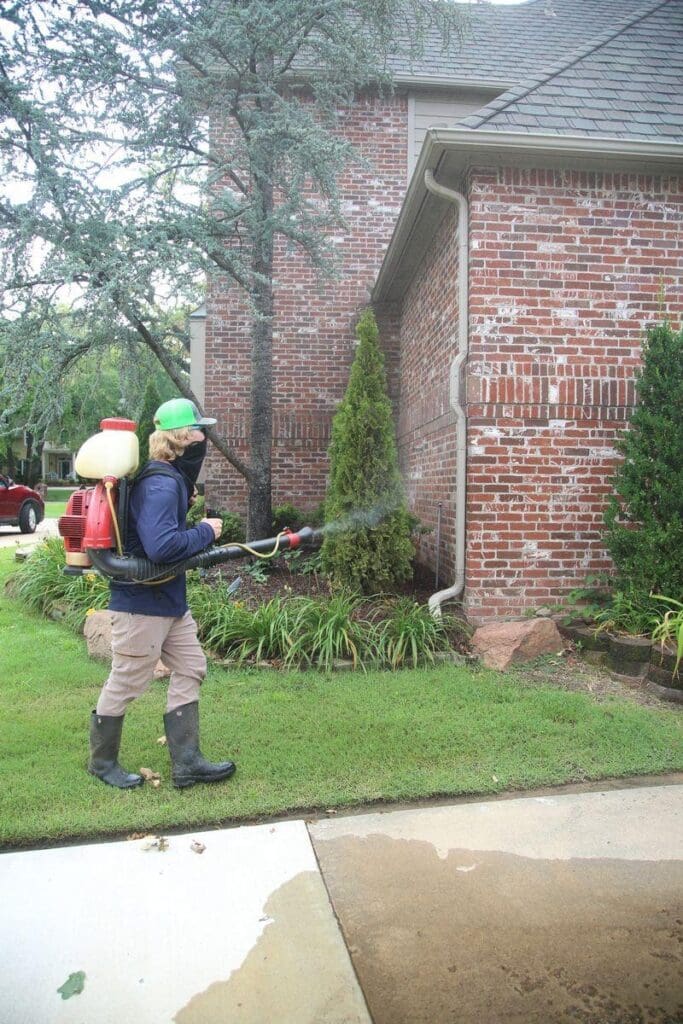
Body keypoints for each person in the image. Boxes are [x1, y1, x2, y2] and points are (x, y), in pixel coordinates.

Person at [88, 398, 236, 790]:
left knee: (191, 666)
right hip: (141, 605)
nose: (204, 439)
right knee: (127, 681)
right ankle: (102, 763)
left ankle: (187, 764)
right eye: (199, 432)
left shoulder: (169, 480)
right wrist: (206, 531)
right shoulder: (160, 484)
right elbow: (162, 547)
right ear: (183, 438)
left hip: (169, 602)